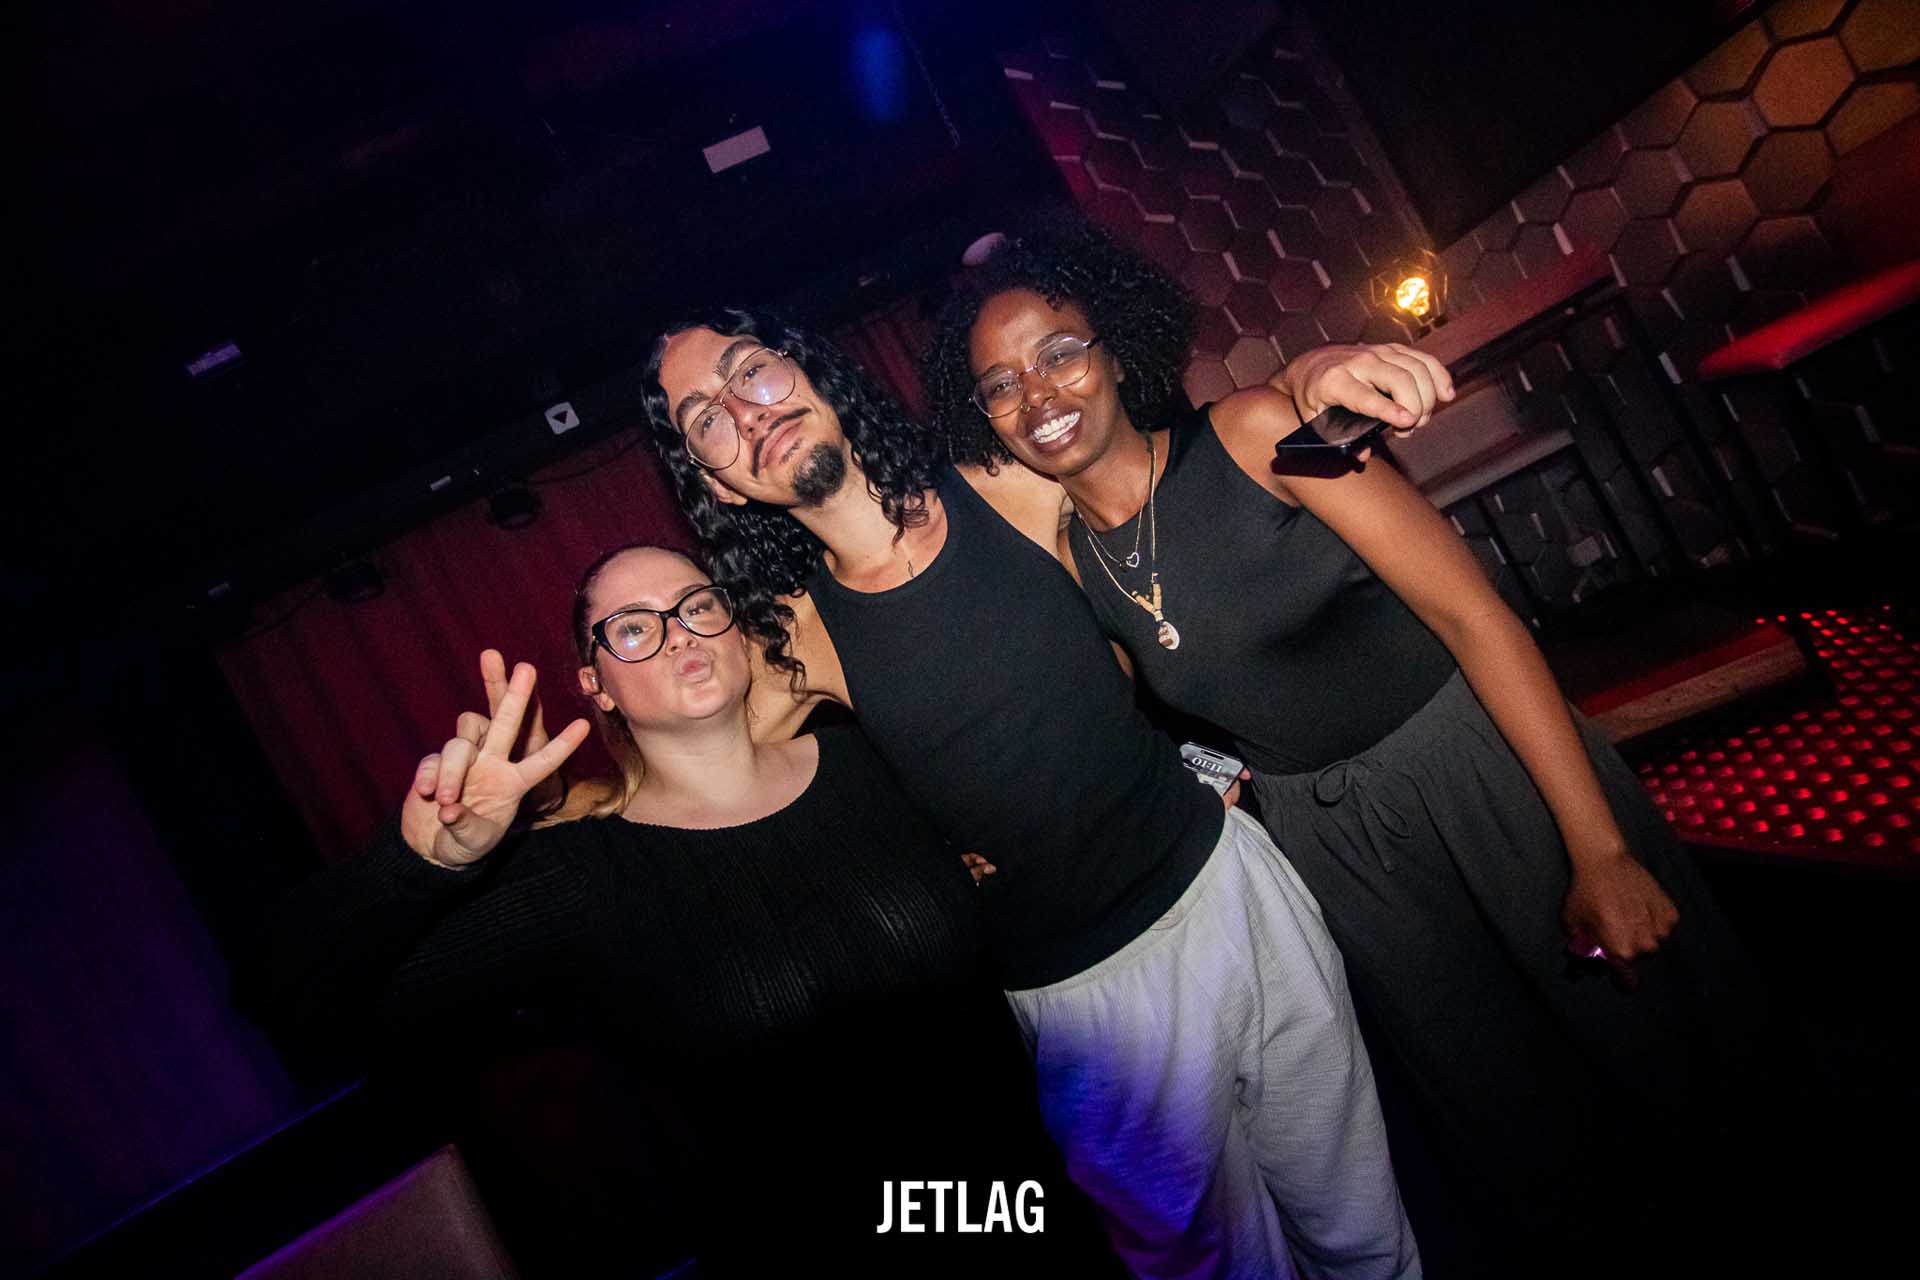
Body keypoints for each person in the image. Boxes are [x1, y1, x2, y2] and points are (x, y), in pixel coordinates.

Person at [919, 217, 1774, 1274]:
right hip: (1332, 850)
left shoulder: (1255, 432)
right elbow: (1126, 726)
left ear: (1118, 352)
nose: (1038, 393)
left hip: (1477, 766)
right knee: (1507, 1107)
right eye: (1000, 384)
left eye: (1060, 352)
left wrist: (1598, 848)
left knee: (1658, 1046)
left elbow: (1477, 618)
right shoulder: (1075, 569)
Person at [643, 312, 1447, 1278]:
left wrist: (1312, 371)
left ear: (811, 376)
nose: (746, 412)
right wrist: (520, 817)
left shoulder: (1004, 486)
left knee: (1364, 1235)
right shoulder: (794, 637)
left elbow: (1186, 454)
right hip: (1087, 1006)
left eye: (752, 373)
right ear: (720, 483)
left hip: (1229, 888)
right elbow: (680, 777)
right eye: (706, 419)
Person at [253, 545, 1117, 1276]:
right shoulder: (584, 877)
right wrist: (422, 865)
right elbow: (289, 1002)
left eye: (697, 606)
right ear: (596, 686)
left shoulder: (868, 761)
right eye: (634, 628)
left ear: (735, 631)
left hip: (1027, 1212)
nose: (679, 635)